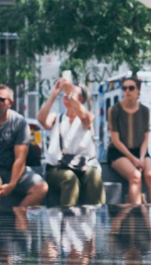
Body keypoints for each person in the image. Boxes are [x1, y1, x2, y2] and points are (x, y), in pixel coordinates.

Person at [38, 77, 105, 206]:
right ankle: (67, 219)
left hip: (85, 165)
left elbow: (85, 118)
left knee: (94, 177)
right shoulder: (56, 117)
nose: (66, 94)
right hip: (58, 168)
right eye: (65, 92)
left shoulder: (87, 116)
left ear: (80, 99)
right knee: (70, 178)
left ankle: (98, 217)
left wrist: (69, 94)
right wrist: (53, 95)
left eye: (71, 92)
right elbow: (41, 120)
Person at [107, 75, 151, 204]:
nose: (127, 91)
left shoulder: (145, 111)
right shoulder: (114, 110)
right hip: (118, 152)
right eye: (124, 88)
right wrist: (133, 159)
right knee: (135, 176)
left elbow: (145, 138)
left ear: (138, 90)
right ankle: (136, 216)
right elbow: (115, 140)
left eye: (131, 88)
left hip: (140, 150)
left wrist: (142, 158)